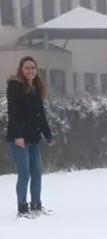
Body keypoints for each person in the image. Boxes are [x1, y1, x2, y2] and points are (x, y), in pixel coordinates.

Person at [5, 56, 54, 218]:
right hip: (19, 138)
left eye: (33, 68)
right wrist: (18, 135)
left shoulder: (36, 87)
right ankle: (22, 207)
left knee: (37, 172)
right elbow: (13, 113)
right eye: (27, 68)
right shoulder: (15, 86)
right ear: (21, 69)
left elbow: (40, 115)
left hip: (33, 137)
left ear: (36, 70)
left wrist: (48, 134)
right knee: (24, 173)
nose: (30, 71)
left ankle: (36, 205)